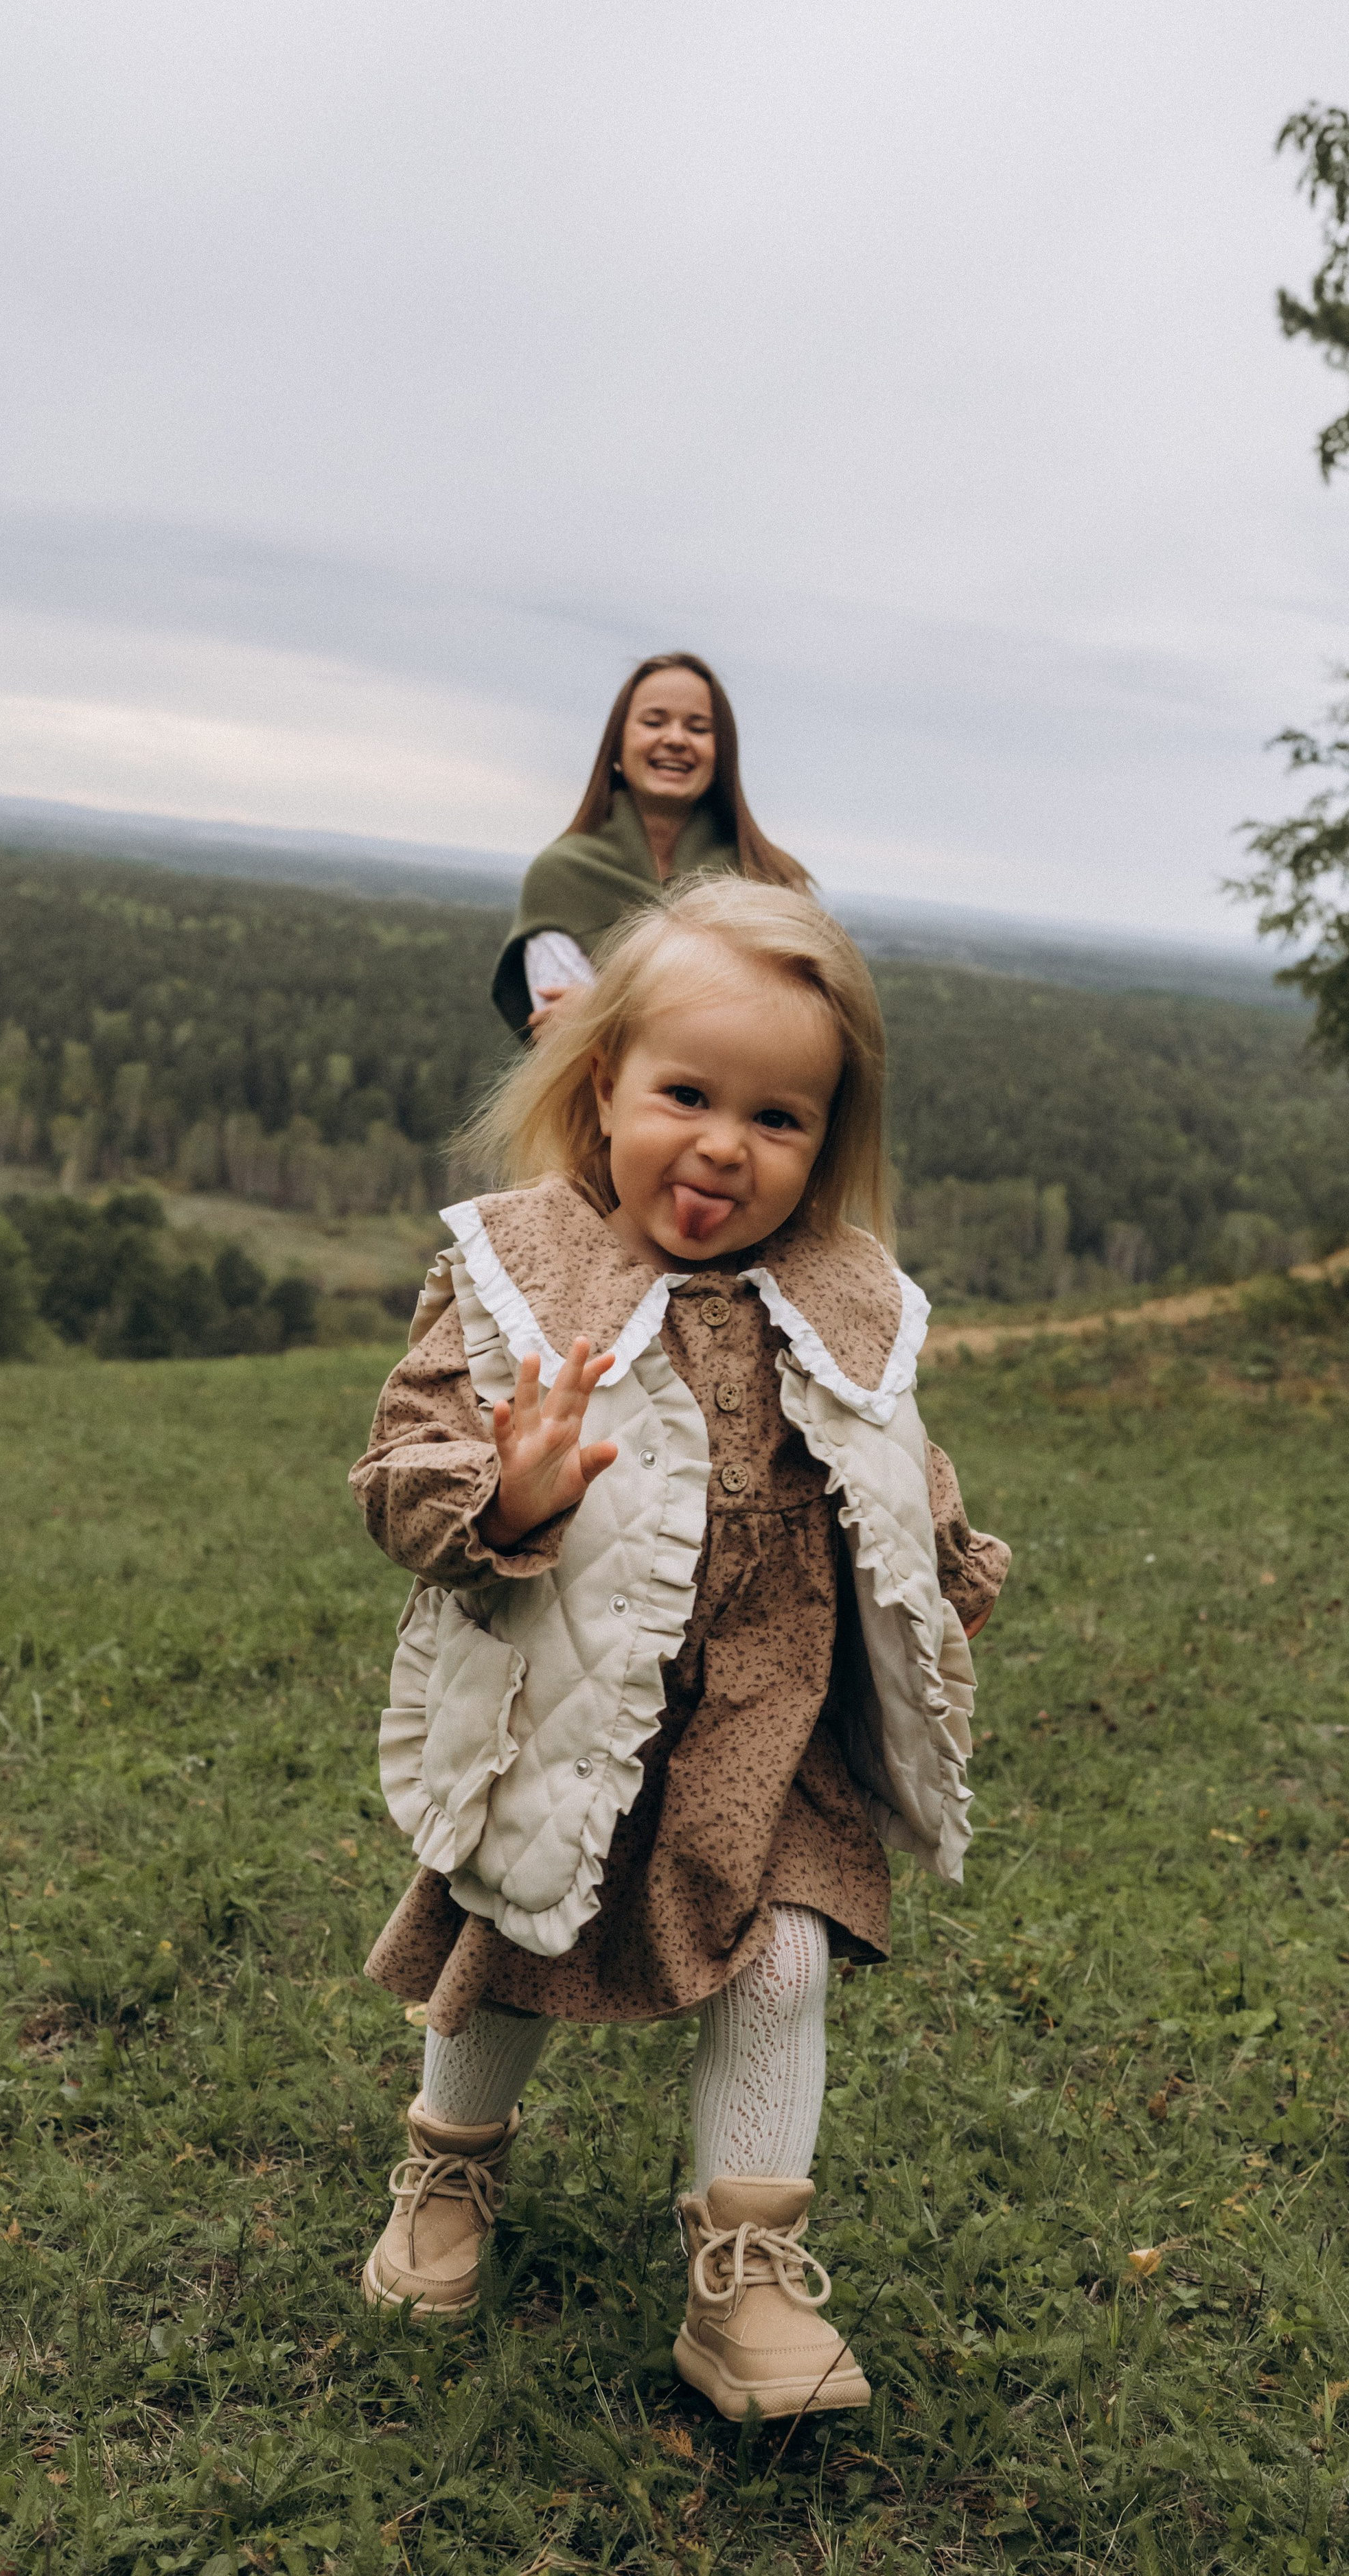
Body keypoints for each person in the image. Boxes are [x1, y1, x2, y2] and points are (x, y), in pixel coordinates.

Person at [350, 877, 1008, 2420]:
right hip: (574, 1707)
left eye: (777, 1118)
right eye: (687, 1095)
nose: (724, 1144)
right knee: (515, 1946)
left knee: (781, 1961)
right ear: (603, 1088)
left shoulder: (841, 1293)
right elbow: (395, 1475)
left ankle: (746, 2279)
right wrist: (504, 1490)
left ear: (825, 1143)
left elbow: (889, 1447)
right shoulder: (519, 1272)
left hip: (769, 1722)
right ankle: (446, 2170)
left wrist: (942, 1560)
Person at [492, 651, 810, 1038]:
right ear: (618, 745)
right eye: (653, 721)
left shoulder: (770, 879)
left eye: (698, 728)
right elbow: (564, 1047)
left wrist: (603, 1011)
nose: (675, 739)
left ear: (721, 753)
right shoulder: (561, 879)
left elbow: (791, 1029)